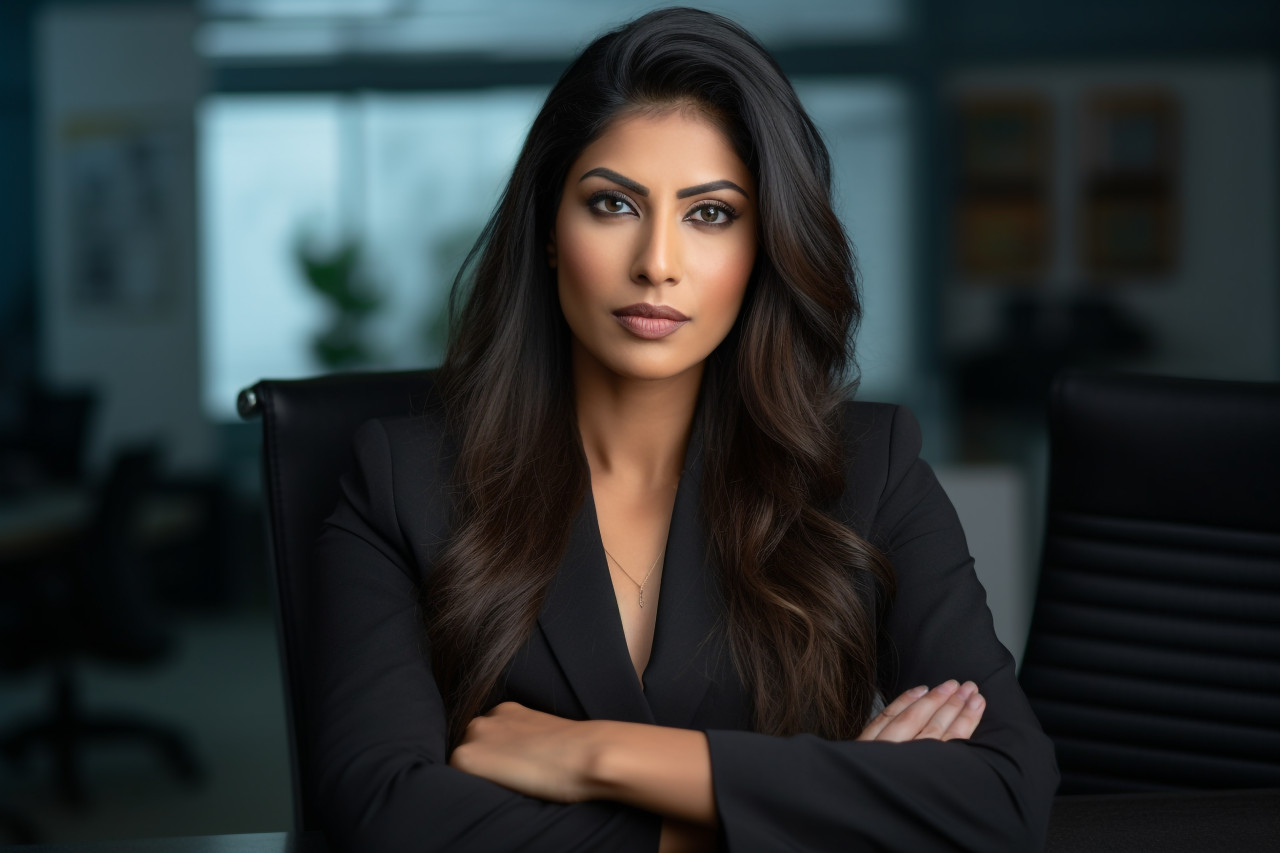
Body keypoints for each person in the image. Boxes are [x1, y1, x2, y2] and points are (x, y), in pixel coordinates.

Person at [308, 7, 1059, 852]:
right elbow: (383, 815)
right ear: (551, 234)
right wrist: (800, 808)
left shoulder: (867, 467)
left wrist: (600, 754)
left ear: (765, 246)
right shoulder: (404, 482)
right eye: (613, 203)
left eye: (710, 214)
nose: (656, 260)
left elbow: (1004, 791)